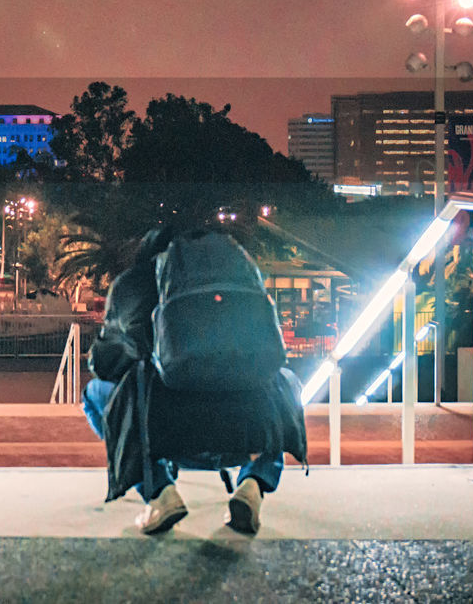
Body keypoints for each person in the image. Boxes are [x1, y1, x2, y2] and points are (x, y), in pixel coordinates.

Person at [83, 226, 307, 535]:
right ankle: (253, 484)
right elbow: (271, 353)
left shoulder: (133, 285)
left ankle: (160, 492)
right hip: (246, 435)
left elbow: (104, 363)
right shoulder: (242, 282)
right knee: (283, 382)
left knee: (95, 393)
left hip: (168, 435)